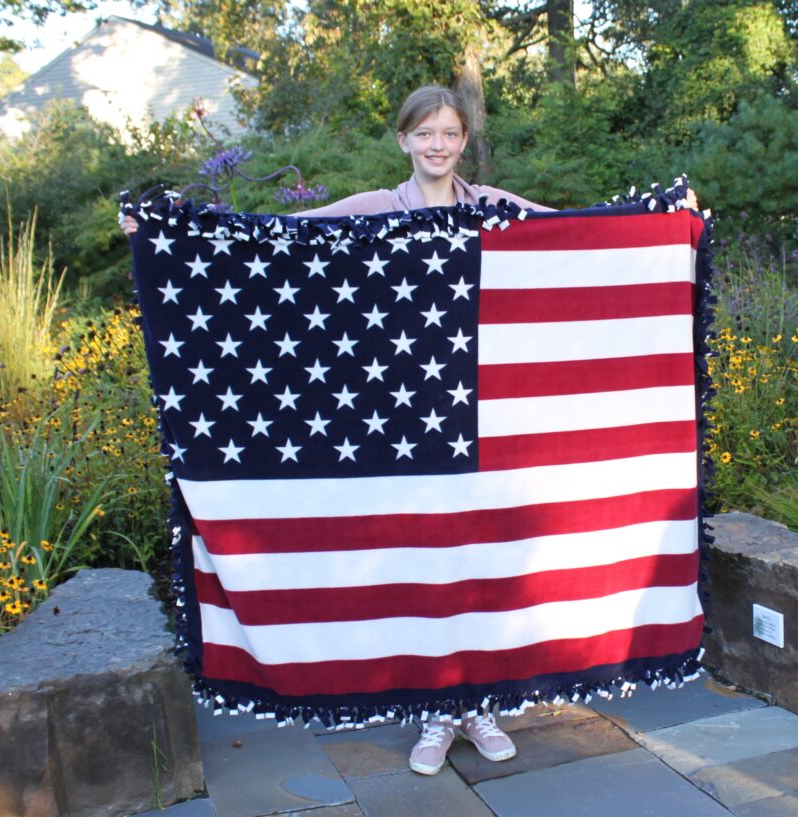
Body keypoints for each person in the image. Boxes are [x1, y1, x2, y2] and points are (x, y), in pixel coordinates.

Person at [122, 85, 549, 776]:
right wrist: (168, 233)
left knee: (475, 562)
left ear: (463, 140)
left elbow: (584, 228)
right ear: (403, 139)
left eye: (449, 133)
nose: (437, 145)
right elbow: (277, 236)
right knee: (425, 559)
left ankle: (477, 701)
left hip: (484, 411)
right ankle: (438, 709)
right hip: (401, 416)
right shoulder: (375, 208)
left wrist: (669, 223)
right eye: (425, 133)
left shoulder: (490, 206)